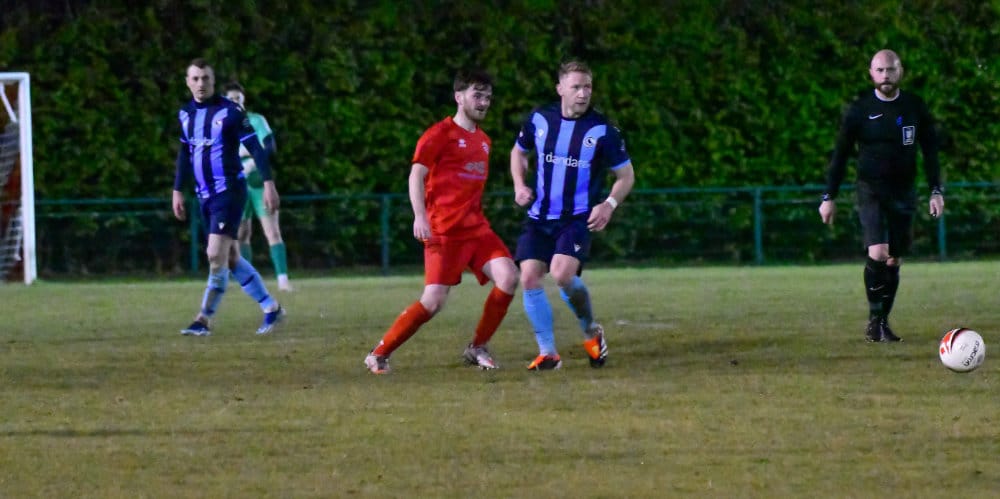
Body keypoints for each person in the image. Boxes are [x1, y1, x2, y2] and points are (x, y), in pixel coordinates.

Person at [363, 69, 518, 374]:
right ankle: (378, 354)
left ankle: (477, 347)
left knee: (509, 277)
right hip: (444, 232)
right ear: (459, 97)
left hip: (477, 230)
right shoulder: (439, 134)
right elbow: (416, 175)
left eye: (488, 97)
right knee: (433, 301)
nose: (484, 102)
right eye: (477, 95)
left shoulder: (484, 141)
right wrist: (420, 215)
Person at [510, 60, 635, 370]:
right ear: (560, 89)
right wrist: (519, 185)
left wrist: (608, 205)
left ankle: (591, 331)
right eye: (576, 87)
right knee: (528, 277)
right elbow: (518, 151)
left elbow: (626, 176)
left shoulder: (603, 130)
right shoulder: (540, 119)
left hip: (577, 218)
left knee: (562, 274)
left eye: (587, 87)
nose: (583, 93)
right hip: (540, 217)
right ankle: (548, 353)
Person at [820, 49, 944, 343]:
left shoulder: (914, 106)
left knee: (894, 260)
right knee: (878, 252)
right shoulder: (859, 109)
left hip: (904, 190)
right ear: (871, 73)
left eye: (890, 69)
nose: (885, 75)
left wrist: (936, 191)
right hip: (871, 189)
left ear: (900, 71)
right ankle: (875, 320)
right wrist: (829, 196)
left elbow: (930, 151)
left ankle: (883, 323)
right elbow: (840, 154)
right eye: (880, 70)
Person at [172, 58, 286, 336]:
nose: (200, 83)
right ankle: (271, 308)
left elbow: (256, 148)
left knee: (215, 254)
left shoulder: (231, 112)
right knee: (232, 257)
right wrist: (177, 190)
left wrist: (269, 183)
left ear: (213, 81)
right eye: (195, 78)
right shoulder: (186, 114)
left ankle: (203, 319)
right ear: (187, 82)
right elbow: (185, 154)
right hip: (204, 195)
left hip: (230, 192)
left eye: (205, 78)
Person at [222, 82, 293, 292]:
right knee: (242, 233)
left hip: (258, 181)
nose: (235, 102)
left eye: (238, 98)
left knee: (272, 230)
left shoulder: (255, 120)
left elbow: (269, 145)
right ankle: (248, 280)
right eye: (231, 99)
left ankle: (283, 280)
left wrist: (252, 160)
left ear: (243, 100)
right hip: (238, 184)